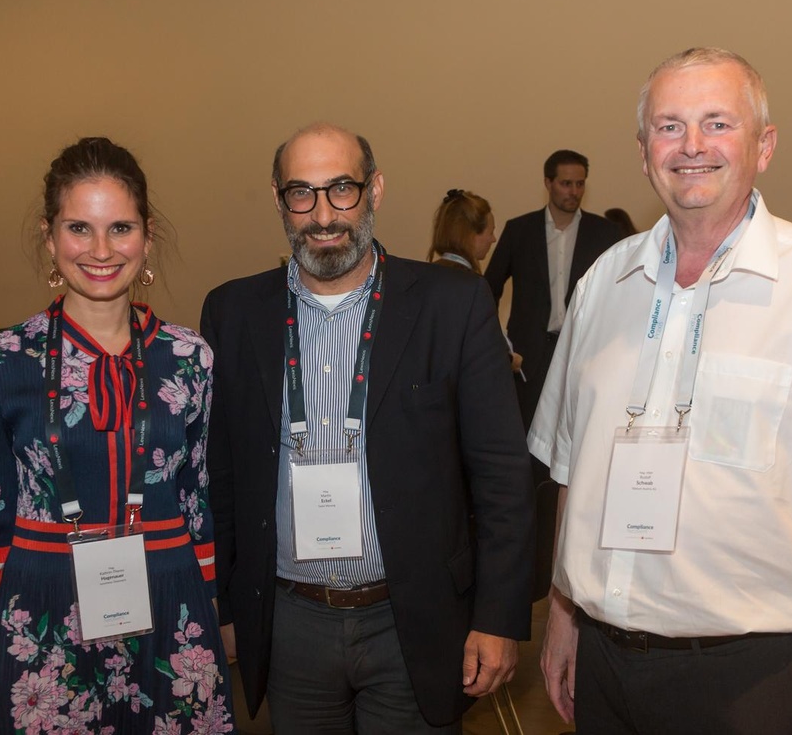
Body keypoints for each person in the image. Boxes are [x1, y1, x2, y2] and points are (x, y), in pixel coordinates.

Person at [530, 47, 792, 734]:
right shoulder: (601, 286)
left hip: (762, 680)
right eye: (668, 126)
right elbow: (572, 473)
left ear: (764, 146)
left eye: (716, 123)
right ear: (643, 153)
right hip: (607, 667)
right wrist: (561, 617)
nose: (691, 145)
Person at [200, 123, 534, 733]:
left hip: (415, 620)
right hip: (289, 624)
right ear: (279, 201)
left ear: (375, 190)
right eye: (302, 193)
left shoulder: (451, 304)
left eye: (342, 190)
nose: (323, 214)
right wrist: (222, 604)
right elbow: (220, 477)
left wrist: (498, 616)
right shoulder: (232, 313)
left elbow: (502, 478)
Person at [0, 137, 234, 734]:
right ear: (50, 238)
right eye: (80, 228)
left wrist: (215, 625)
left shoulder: (191, 358)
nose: (101, 250)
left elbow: (197, 505)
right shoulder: (2, 360)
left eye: (120, 227)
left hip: (173, 615)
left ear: (146, 237)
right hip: (41, 620)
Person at [483, 150, 625, 433]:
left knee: (580, 434)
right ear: (548, 183)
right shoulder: (520, 231)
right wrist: (500, 346)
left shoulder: (605, 233)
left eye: (580, 184)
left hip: (584, 352)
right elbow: (488, 290)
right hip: (529, 358)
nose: (574, 192)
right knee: (527, 440)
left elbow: (620, 296)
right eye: (566, 183)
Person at [429, 189, 522, 373]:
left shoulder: (428, 276)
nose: (493, 239)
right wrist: (511, 359)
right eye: (491, 231)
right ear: (471, 234)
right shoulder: (474, 286)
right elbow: (486, 348)